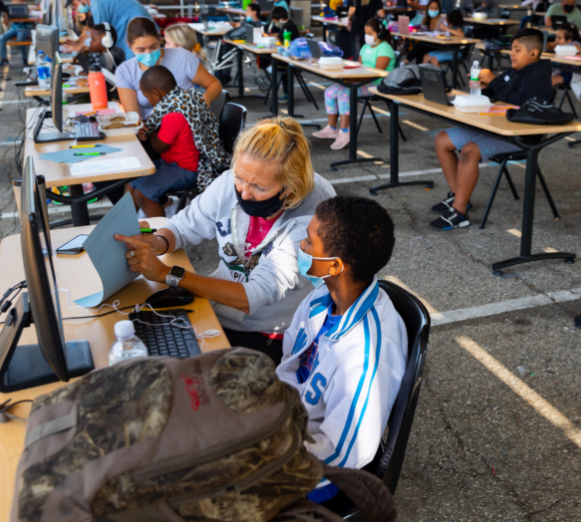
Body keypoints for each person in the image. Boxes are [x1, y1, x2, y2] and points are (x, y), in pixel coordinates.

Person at [114, 118, 336, 362]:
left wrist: (169, 274)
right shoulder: (231, 182)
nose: (243, 192)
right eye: (240, 178)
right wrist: (158, 242)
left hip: (270, 331)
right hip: (219, 308)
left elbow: (253, 296)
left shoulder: (314, 218)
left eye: (259, 187)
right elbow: (183, 226)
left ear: (290, 188)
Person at [276, 196, 407, 504]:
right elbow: (287, 364)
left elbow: (343, 453)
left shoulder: (367, 352)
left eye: (309, 242)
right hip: (288, 425)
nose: (302, 248)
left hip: (320, 471)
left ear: (334, 265)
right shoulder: (319, 300)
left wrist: (268, 451)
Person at [431, 28, 553, 230]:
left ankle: (459, 213)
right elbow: (498, 95)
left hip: (521, 134)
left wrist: (494, 81)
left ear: (533, 53)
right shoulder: (516, 70)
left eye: (517, 49)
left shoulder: (539, 76)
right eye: (511, 49)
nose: (511, 53)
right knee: (442, 140)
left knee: (470, 150)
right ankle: (458, 197)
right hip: (496, 126)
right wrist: (483, 85)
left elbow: (520, 104)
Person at [129, 66, 230, 217]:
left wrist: (152, 130)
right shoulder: (187, 99)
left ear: (156, 94)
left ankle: (162, 234)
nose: (148, 101)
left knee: (143, 194)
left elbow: (159, 147)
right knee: (131, 179)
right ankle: (128, 223)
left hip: (185, 169)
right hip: (177, 164)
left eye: (147, 96)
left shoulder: (172, 115)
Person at [116, 17, 222, 119]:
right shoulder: (125, 72)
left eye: (154, 47)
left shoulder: (182, 57)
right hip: (150, 130)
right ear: (129, 45)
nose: (148, 54)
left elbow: (215, 84)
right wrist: (140, 128)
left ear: (159, 39)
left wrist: (205, 99)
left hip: (188, 127)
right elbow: (134, 118)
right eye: (141, 50)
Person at [313, 18, 395, 150]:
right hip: (362, 81)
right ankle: (331, 129)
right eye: (365, 33)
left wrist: (354, 79)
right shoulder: (365, 46)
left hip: (375, 85)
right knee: (329, 92)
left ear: (379, 34)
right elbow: (359, 66)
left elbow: (377, 73)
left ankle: (345, 132)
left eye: (370, 34)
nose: (367, 37)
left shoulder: (385, 49)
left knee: (345, 94)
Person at [64, 0, 152, 59]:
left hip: (138, 26)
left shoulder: (97, 4)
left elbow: (98, 36)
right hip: (131, 24)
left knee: (133, 65)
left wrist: (79, 48)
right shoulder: (95, 3)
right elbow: (91, 31)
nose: (76, 9)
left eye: (75, 5)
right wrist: (78, 44)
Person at [403, 0, 442, 64]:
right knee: (421, 50)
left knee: (420, 47)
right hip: (427, 43)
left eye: (436, 8)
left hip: (438, 45)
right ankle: (418, 69)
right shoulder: (425, 19)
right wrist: (420, 31)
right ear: (428, 9)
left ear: (439, 9)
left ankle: (406, 61)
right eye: (431, 8)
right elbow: (422, 30)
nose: (433, 10)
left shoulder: (442, 20)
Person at [0, 0, 30, 67]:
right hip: (14, 28)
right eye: (15, 1)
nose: (16, 2)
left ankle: (25, 59)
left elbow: (29, 16)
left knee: (20, 39)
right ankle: (4, 58)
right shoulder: (10, 8)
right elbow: (6, 21)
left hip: (24, 28)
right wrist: (6, 17)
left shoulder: (25, 7)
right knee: (2, 38)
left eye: (18, 1)